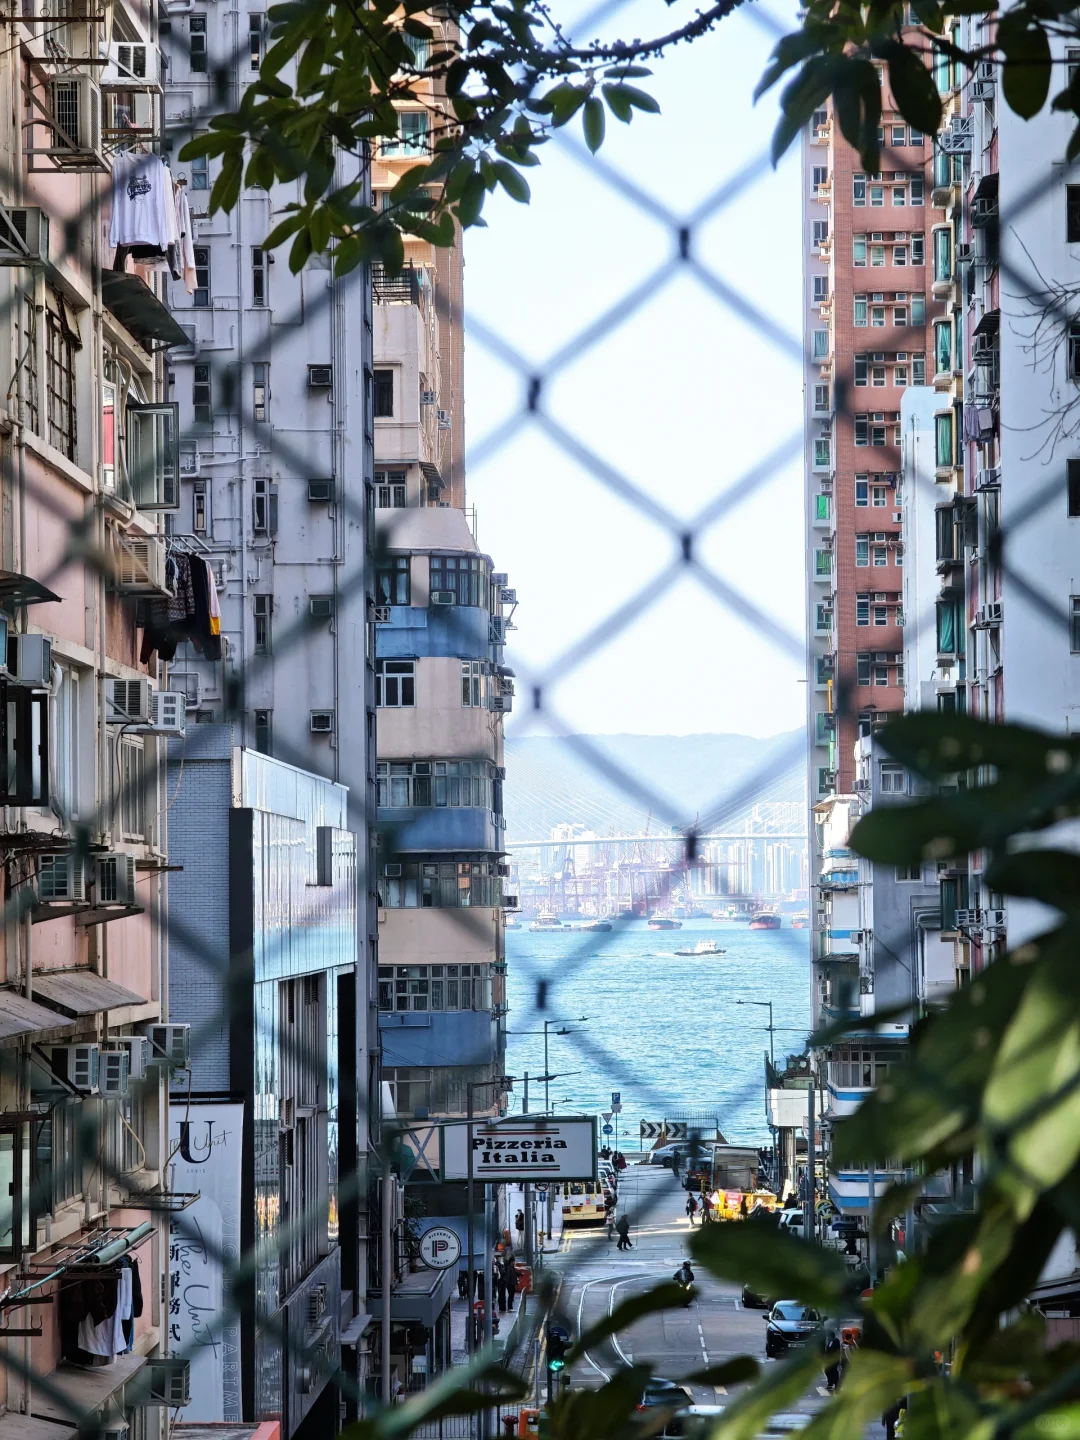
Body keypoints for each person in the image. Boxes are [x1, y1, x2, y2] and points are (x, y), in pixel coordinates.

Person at [823, 1326, 843, 1392]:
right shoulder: (830, 1341)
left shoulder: (835, 1341)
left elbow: (832, 1350)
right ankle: (830, 1383)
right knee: (828, 1371)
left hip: (834, 1360)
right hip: (829, 1360)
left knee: (834, 1372)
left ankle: (836, 1385)